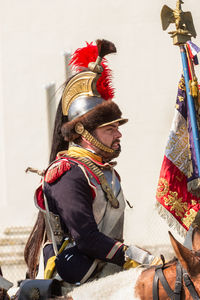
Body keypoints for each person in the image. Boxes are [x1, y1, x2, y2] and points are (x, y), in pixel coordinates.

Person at [24, 39, 160, 285]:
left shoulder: (102, 172)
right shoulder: (67, 172)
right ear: (83, 132)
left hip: (105, 276)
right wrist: (135, 255)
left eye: (118, 127)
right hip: (72, 280)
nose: (118, 134)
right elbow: (86, 238)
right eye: (110, 128)